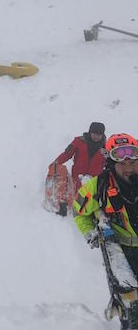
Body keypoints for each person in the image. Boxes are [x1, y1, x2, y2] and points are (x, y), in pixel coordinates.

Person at [73, 133, 138, 326]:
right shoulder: (97, 186)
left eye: (133, 162)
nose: (129, 168)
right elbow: (79, 212)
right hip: (120, 254)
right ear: (111, 162)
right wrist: (90, 232)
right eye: (122, 164)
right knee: (131, 309)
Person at [54, 121, 107, 189]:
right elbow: (67, 154)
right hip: (77, 178)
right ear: (90, 132)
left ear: (102, 135)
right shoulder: (78, 141)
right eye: (94, 134)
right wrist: (56, 163)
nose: (96, 136)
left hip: (94, 182)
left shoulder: (106, 147)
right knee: (75, 197)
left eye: (99, 135)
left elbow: (109, 163)